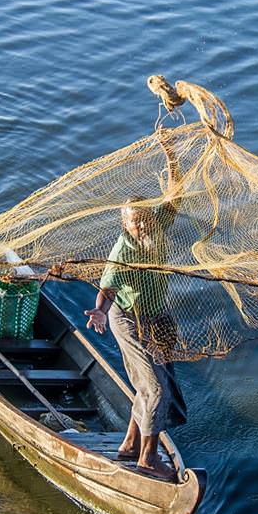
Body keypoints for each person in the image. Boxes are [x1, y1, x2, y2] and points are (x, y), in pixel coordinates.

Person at [84, 197, 187, 481]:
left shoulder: (159, 229)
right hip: (127, 319)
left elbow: (175, 197)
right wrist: (100, 312)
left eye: (144, 218)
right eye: (134, 220)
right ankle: (147, 460)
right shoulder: (122, 252)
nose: (140, 225)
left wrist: (172, 158)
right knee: (156, 389)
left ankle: (130, 445)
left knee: (150, 385)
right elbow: (107, 290)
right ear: (125, 224)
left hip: (156, 316)